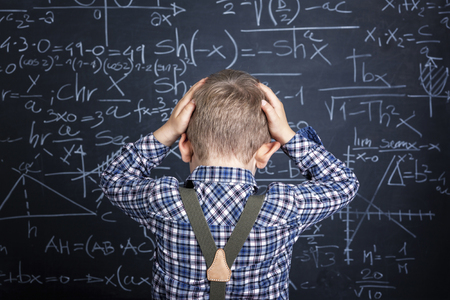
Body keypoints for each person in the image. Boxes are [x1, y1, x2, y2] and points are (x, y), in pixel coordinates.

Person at [100, 69, 359, 299]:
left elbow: (114, 177)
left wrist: (168, 130)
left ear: (184, 146)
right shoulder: (283, 207)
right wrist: (288, 137)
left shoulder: (163, 201)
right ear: (266, 152)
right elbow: (343, 183)